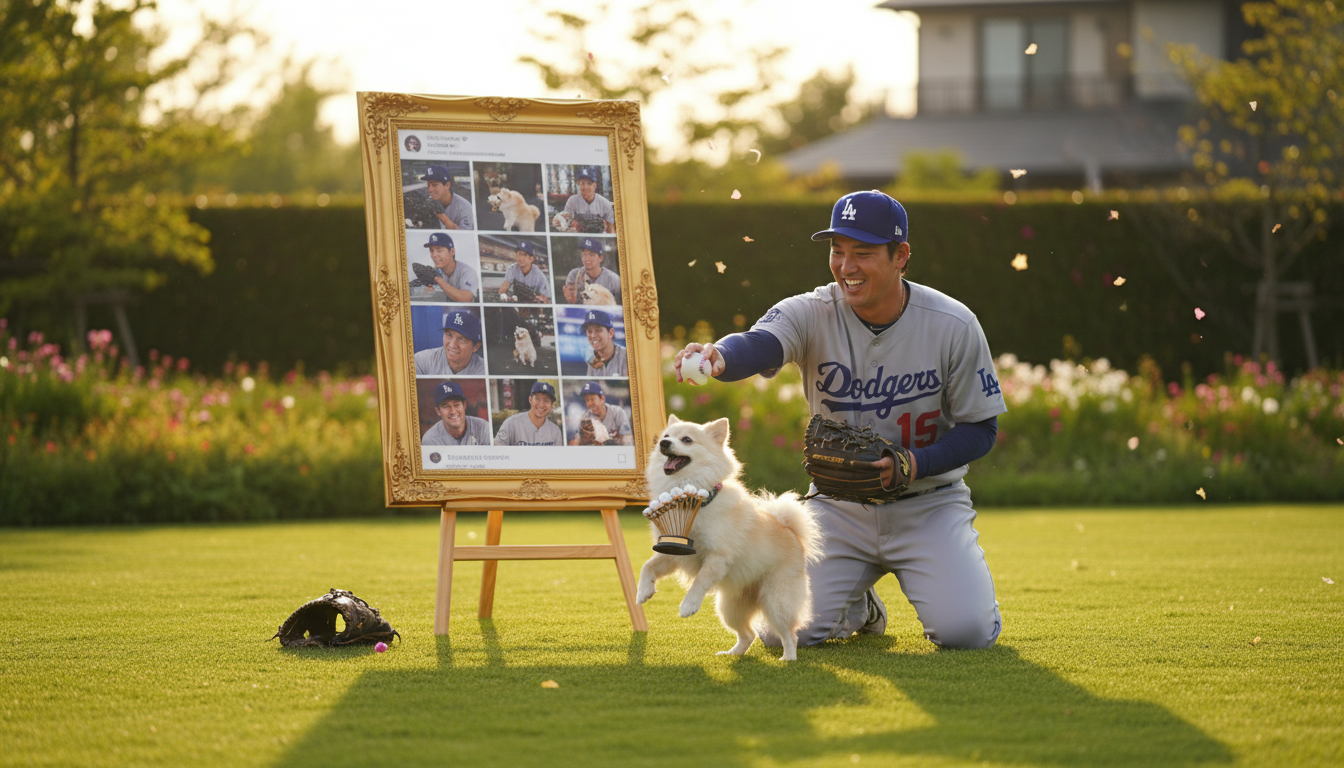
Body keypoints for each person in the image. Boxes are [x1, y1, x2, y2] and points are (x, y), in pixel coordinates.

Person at [673, 190, 1006, 651]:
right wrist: (719, 356)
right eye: (837, 251)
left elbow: (982, 428)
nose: (846, 266)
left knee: (965, 634)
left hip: (928, 504)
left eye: (863, 253)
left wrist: (915, 462)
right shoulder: (810, 310)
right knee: (778, 633)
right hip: (836, 509)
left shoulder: (953, 323)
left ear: (901, 256)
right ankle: (861, 605)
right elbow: (760, 342)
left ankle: (917, 596)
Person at [415, 309, 486, 376]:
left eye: (462, 339)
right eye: (449, 335)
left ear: (476, 346)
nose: (452, 345)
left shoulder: (484, 369)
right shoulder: (421, 361)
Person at [494, 381, 564, 446]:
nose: (541, 404)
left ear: (551, 405)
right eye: (537, 399)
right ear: (530, 400)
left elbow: (557, 457)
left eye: (546, 400)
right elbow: (497, 449)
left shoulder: (555, 431)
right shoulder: (511, 423)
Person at [422, 381, 491, 446]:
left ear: (464, 405)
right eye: (446, 406)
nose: (453, 411)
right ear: (438, 411)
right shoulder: (430, 439)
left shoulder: (482, 427)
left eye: (456, 405)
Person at [567, 380, 633, 445]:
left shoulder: (618, 413)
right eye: (587, 400)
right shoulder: (586, 416)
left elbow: (627, 439)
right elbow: (578, 440)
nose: (590, 403)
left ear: (602, 399)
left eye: (592, 399)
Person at [562, 237, 622, 305]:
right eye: (584, 255)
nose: (587, 259)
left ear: (600, 258)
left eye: (591, 255)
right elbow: (572, 304)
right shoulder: (574, 275)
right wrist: (571, 300)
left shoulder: (613, 279)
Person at [421, 232, 478, 302]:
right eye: (431, 251)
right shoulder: (434, 271)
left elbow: (466, 298)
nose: (434, 255)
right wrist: (428, 292)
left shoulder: (467, 271)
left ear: (452, 251)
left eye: (439, 250)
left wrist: (439, 281)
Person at [420, 165, 475, 230]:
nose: (430, 190)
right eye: (428, 185)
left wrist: (441, 215)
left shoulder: (464, 206)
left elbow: (465, 235)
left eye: (434, 185)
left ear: (447, 185)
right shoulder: (429, 202)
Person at [561, 167, 615, 233]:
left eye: (589, 183)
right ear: (578, 184)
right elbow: (564, 225)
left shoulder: (605, 203)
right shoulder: (572, 201)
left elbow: (611, 230)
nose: (585, 187)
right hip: (579, 239)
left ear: (594, 186)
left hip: (599, 238)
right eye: (583, 183)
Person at [580, 309, 627, 377]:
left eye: (598, 330)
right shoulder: (590, 361)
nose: (593, 336)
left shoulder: (626, 357)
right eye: (590, 331)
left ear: (610, 333)